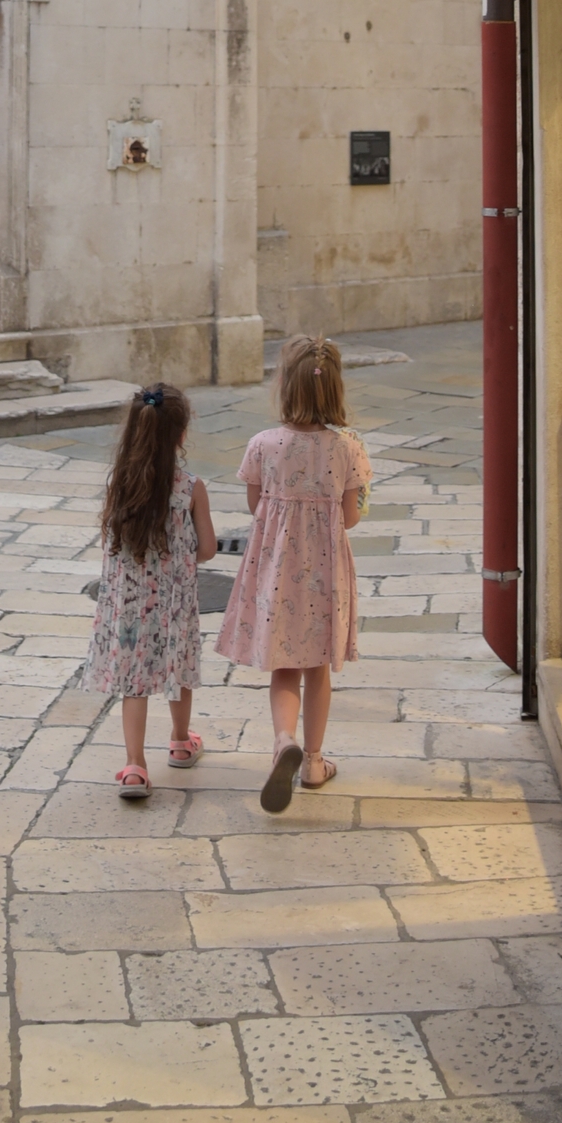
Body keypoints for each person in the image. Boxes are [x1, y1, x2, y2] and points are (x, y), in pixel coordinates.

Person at [216, 332, 371, 811]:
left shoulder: (263, 444)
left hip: (277, 573)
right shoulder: (348, 448)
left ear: (284, 386)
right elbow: (350, 517)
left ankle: (284, 740)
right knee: (317, 668)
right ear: (336, 389)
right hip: (325, 577)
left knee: (284, 665)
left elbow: (255, 504)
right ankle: (315, 762)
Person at [80, 383, 216, 798]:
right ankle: (180, 742)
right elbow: (208, 549)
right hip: (173, 605)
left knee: (134, 684)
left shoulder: (120, 485)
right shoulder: (190, 488)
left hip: (130, 608)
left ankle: (135, 767)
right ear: (181, 435)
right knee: (179, 667)